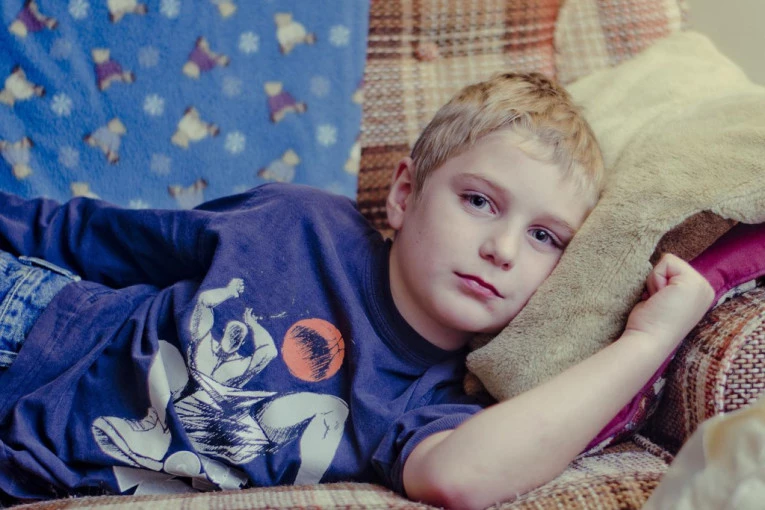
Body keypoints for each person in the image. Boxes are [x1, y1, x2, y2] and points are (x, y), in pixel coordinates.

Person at [0, 72, 713, 509]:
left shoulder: (430, 401)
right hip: (31, 327)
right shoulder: (300, 225)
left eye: (544, 237)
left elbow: (461, 479)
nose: (501, 248)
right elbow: (91, 236)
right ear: (404, 194)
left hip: (30, 471)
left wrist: (648, 340)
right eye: (479, 201)